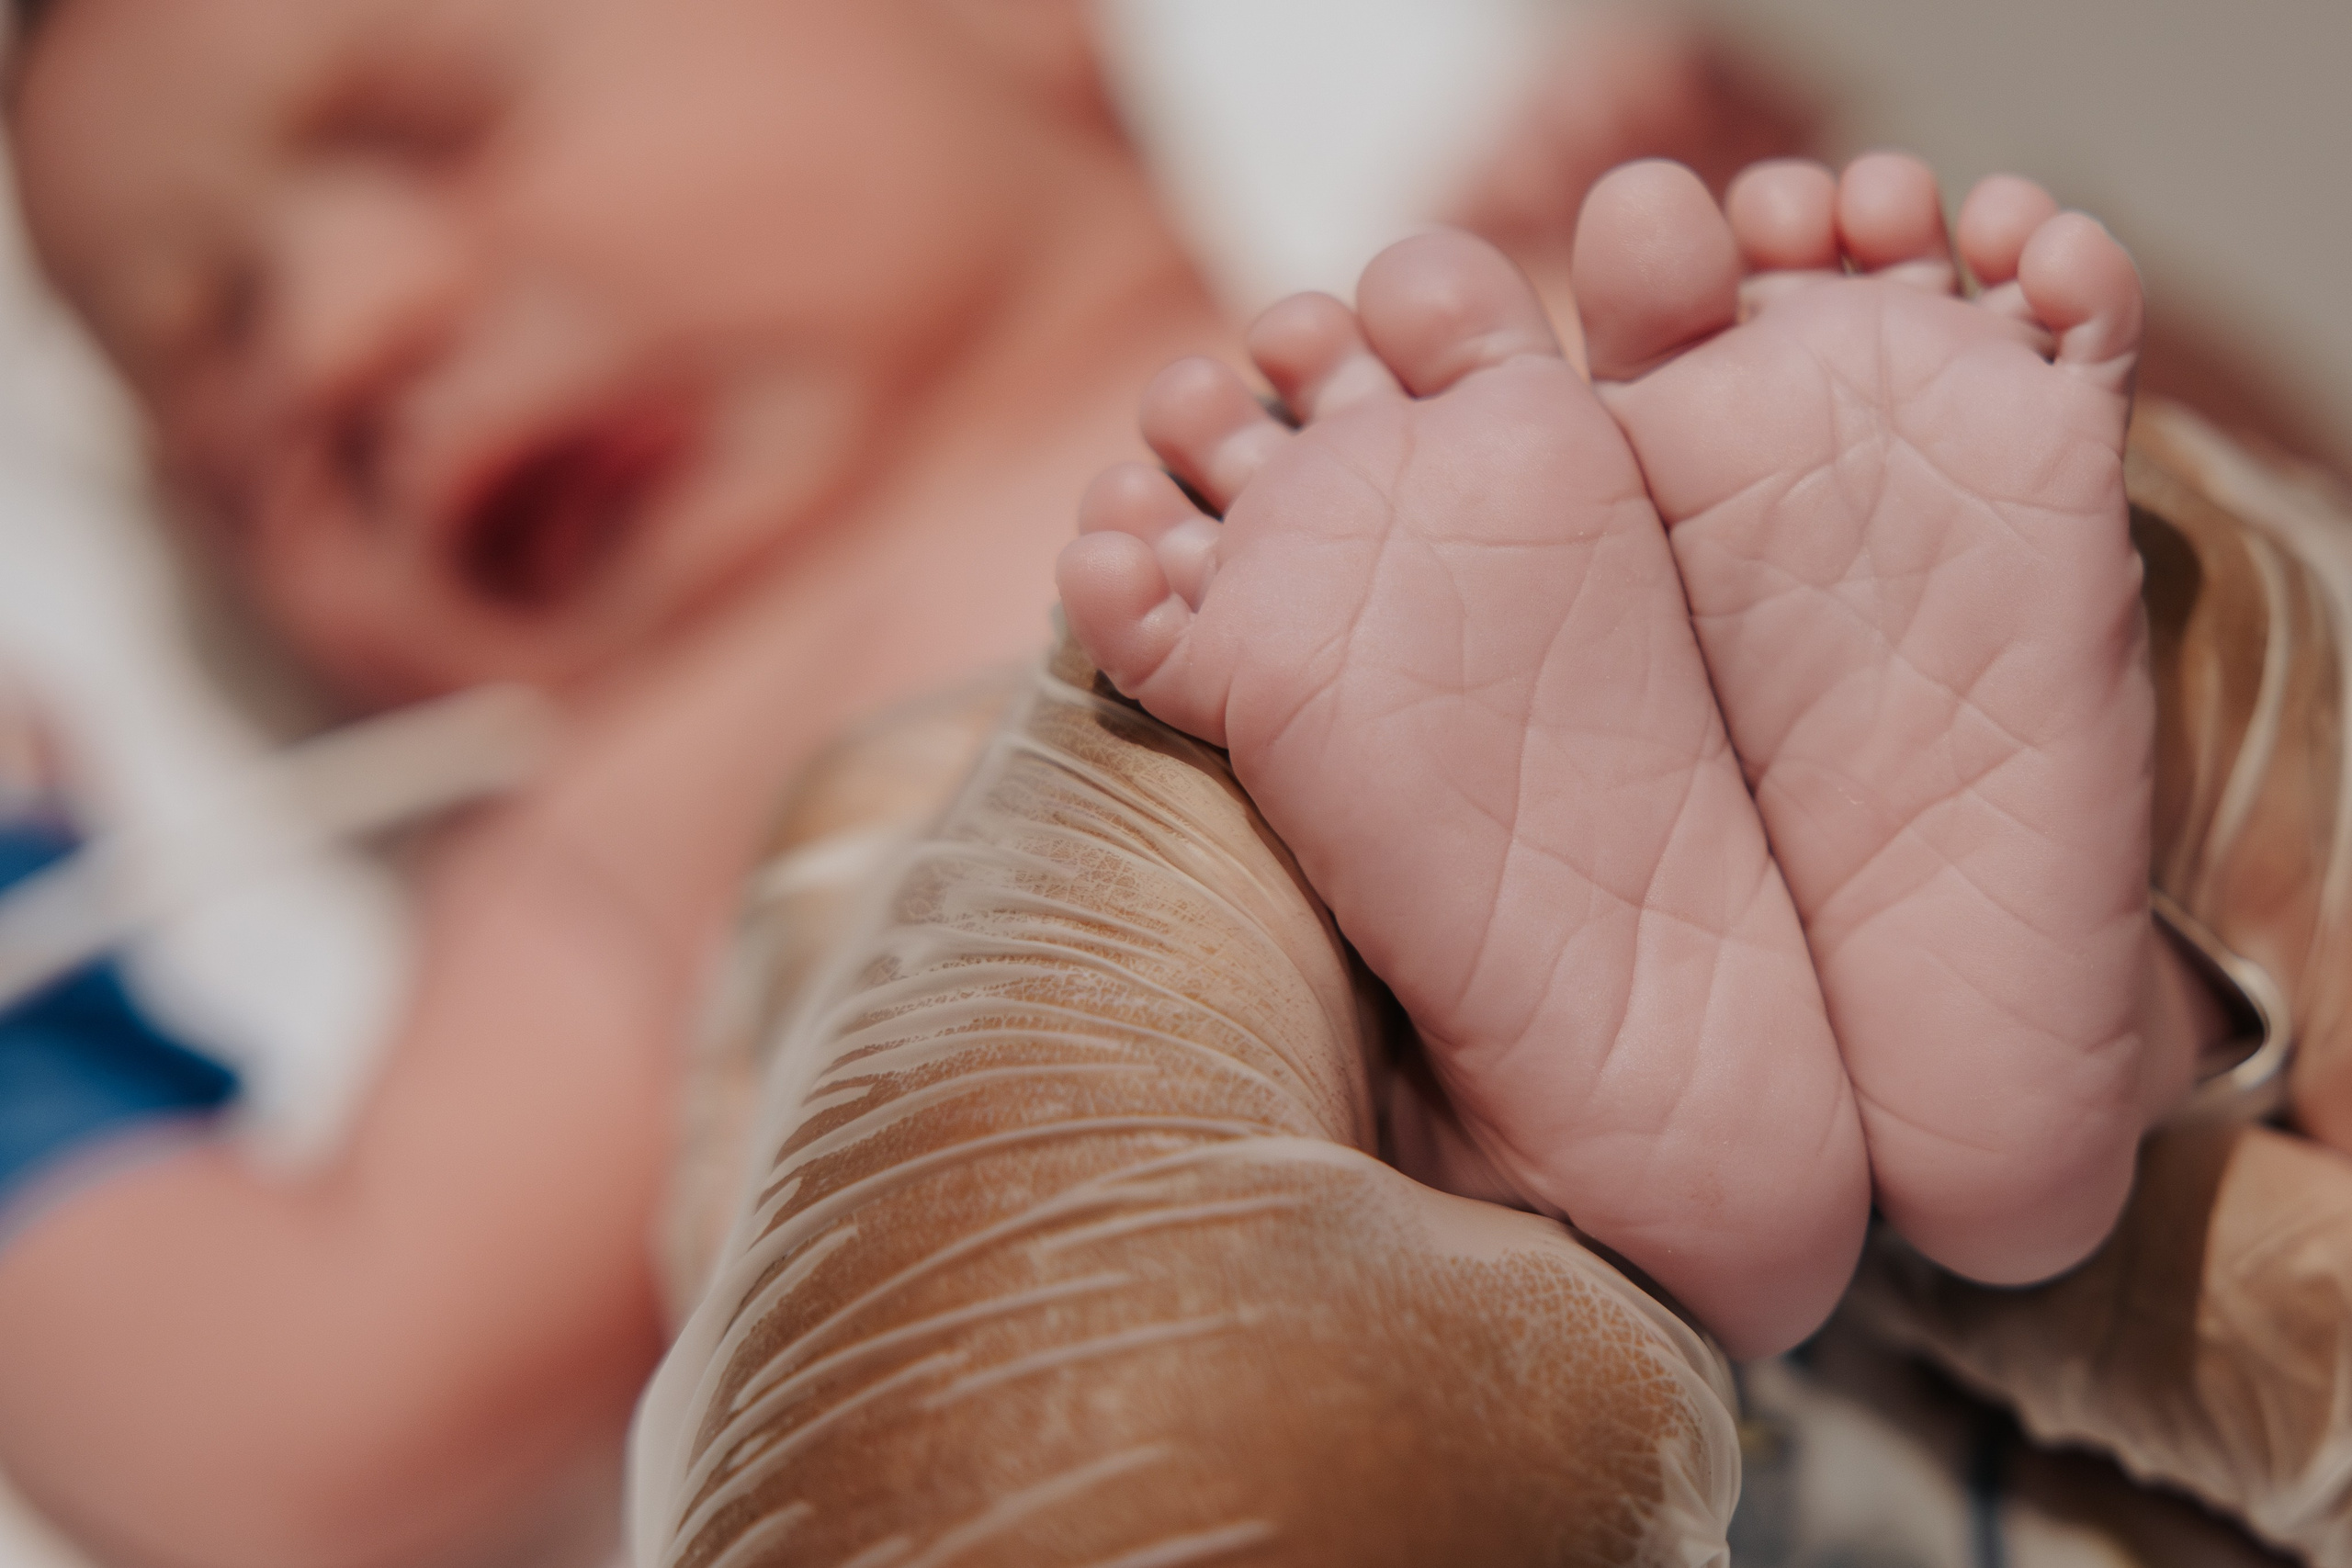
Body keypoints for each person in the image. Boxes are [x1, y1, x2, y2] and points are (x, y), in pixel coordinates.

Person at [0, 0, 2321, 1562]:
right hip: (1303, 1057)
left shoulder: (1603, 315)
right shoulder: (601, 802)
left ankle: (1797, 978)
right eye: (230, 422)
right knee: (2201, 642)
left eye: (429, 128)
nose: (346, 345)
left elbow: (268, 1404)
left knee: (2159, 607)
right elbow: (295, 1436)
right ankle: (1677, 1026)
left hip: (1725, 1094)